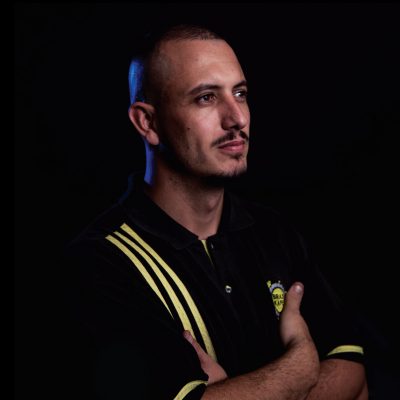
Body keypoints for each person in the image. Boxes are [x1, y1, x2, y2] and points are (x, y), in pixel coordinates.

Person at [63, 24, 368, 399]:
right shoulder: (101, 261)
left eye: (240, 93)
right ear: (148, 122)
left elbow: (354, 373)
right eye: (206, 98)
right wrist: (299, 367)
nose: (237, 118)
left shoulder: (274, 232)